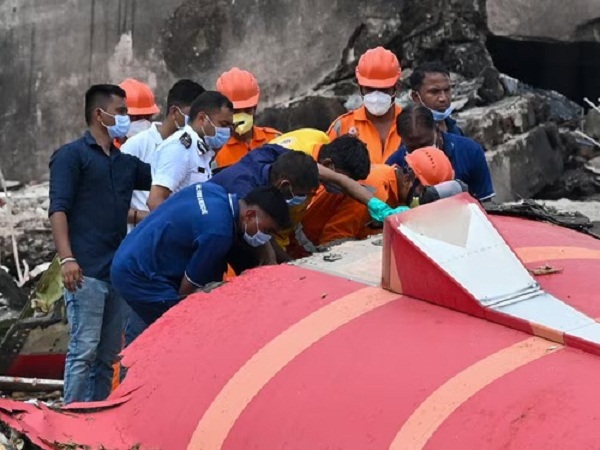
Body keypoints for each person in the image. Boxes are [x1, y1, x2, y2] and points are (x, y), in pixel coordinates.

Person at [48, 84, 152, 404]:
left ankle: (95, 419)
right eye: (121, 112)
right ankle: (71, 420)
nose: (126, 119)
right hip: (85, 270)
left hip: (116, 271)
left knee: (108, 357)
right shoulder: (71, 156)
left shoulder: (125, 163)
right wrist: (67, 259)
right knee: (83, 352)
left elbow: (163, 178)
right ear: (99, 114)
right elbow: (58, 209)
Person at [111, 184, 290, 334]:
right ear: (249, 215)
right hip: (140, 274)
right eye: (267, 231)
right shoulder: (219, 233)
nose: (265, 238)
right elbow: (187, 291)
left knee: (151, 328)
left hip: (132, 255)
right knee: (177, 331)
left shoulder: (211, 190)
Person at [300, 147, 459, 249]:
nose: (424, 203)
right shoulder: (376, 190)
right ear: (409, 178)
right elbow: (332, 241)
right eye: (424, 194)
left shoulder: (391, 185)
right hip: (306, 250)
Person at [121, 79, 205, 231]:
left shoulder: (196, 148)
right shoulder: (136, 146)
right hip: (142, 235)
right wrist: (149, 217)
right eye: (191, 116)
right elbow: (113, 206)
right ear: (174, 112)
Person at [147, 91, 234, 211]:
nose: (227, 131)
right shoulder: (179, 148)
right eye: (223, 124)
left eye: (230, 126)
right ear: (202, 118)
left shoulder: (201, 150)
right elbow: (155, 201)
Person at [386, 105, 495, 201]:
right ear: (402, 140)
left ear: (437, 131)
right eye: (412, 148)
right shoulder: (394, 166)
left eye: (425, 144)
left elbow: (485, 202)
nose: (420, 152)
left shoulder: (470, 151)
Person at [327, 46, 402, 163]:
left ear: (397, 87)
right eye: (370, 89)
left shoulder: (412, 124)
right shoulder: (342, 127)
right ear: (360, 87)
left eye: (384, 89)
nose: (376, 95)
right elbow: (326, 167)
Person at [215, 68, 281, 168]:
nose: (242, 115)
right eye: (235, 111)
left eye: (247, 109)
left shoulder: (275, 139)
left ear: (255, 108)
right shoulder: (215, 153)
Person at [409, 62, 463, 135]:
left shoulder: (455, 130)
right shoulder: (409, 135)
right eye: (434, 92)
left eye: (447, 90)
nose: (443, 98)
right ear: (416, 97)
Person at [113, 79, 160, 149]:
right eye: (136, 117)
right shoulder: (105, 150)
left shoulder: (161, 149)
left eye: (147, 117)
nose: (143, 123)